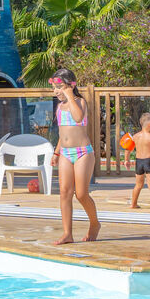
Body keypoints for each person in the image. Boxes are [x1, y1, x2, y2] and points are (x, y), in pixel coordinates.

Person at [50, 68, 100, 244]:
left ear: (71, 86)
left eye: (61, 87)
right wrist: (56, 152)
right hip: (65, 153)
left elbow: (78, 118)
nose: (57, 92)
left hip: (82, 153)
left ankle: (94, 223)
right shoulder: (59, 106)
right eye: (55, 88)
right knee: (64, 192)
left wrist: (70, 96)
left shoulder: (80, 102)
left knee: (81, 194)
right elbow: (63, 132)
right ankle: (67, 234)